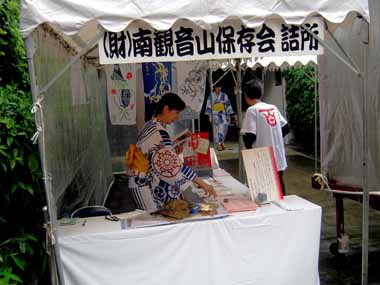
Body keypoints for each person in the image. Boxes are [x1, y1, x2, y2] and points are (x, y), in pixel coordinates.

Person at [127, 93, 216, 212]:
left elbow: (159, 153)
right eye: (176, 112)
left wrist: (174, 147)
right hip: (145, 185)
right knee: (155, 222)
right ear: (166, 109)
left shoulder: (151, 125)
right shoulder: (158, 133)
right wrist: (201, 182)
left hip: (140, 179)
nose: (177, 117)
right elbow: (171, 166)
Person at [240, 79, 290, 196]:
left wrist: (249, 150)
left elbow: (250, 136)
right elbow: (286, 128)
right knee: (279, 186)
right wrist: (274, 136)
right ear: (261, 93)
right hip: (278, 155)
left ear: (246, 95)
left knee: (265, 190)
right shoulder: (273, 108)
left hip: (262, 156)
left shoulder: (252, 110)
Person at [205, 83, 235, 151]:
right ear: (214, 88)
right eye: (217, 87)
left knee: (224, 129)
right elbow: (208, 105)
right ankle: (218, 144)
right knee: (217, 130)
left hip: (223, 114)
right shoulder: (211, 95)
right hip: (215, 115)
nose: (218, 89)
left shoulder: (224, 95)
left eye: (219, 87)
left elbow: (227, 105)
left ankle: (222, 142)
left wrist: (229, 115)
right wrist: (209, 116)